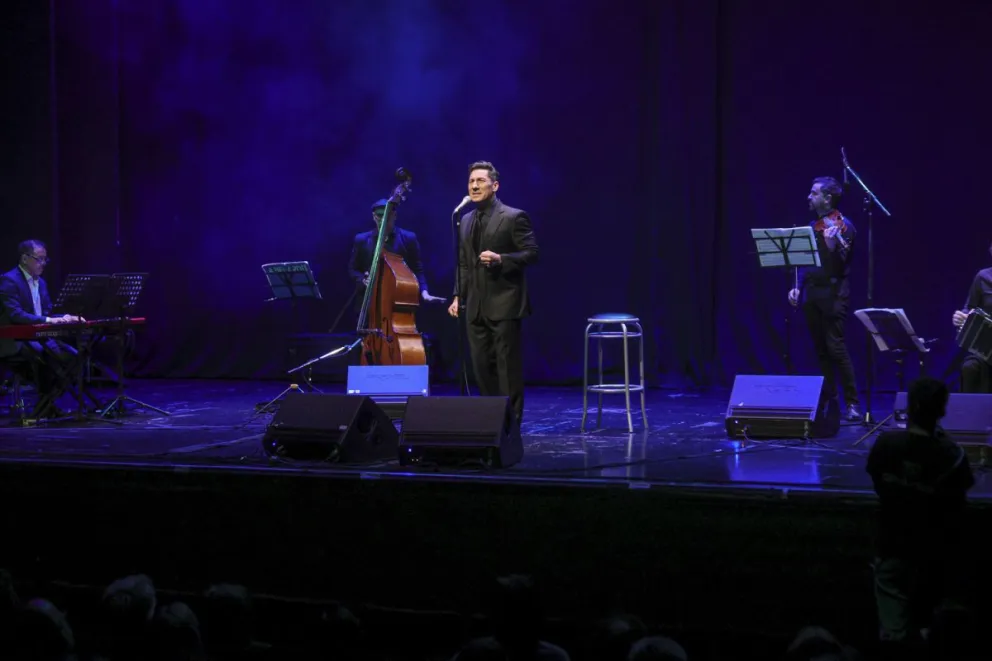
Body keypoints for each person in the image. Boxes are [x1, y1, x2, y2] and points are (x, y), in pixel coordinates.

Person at [865, 377, 974, 648]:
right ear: (943, 410)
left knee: (895, 631)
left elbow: (879, 481)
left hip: (893, 549)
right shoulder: (952, 454)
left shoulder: (886, 445)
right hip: (936, 551)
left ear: (910, 407)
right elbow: (960, 495)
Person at [448, 161, 539, 424]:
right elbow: (464, 263)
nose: (474, 186)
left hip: (504, 303)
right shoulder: (464, 220)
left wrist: (502, 259)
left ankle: (511, 426)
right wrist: (458, 296)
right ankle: (490, 422)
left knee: (506, 369)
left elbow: (532, 253)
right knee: (481, 368)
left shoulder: (513, 217)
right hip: (474, 306)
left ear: (495, 185)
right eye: (471, 182)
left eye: (480, 181)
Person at [788, 176, 862, 421]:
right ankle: (832, 401)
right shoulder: (812, 226)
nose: (809, 197)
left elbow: (841, 265)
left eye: (813, 193)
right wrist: (797, 287)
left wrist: (832, 247)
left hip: (834, 294)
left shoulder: (844, 226)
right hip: (813, 294)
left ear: (827, 197)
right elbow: (804, 263)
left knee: (836, 348)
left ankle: (852, 403)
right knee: (820, 350)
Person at [0, 240, 82, 413]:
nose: (43, 263)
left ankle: (47, 404)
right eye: (39, 259)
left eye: (45, 259)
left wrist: (64, 317)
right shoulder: (9, 281)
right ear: (24, 258)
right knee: (46, 357)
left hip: (39, 337)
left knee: (74, 357)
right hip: (15, 340)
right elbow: (16, 315)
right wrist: (49, 321)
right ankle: (45, 406)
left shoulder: (41, 283)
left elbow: (46, 314)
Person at [348, 198, 445, 304]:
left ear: (395, 216)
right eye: (379, 215)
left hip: (398, 300)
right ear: (373, 217)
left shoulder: (408, 238)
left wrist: (424, 293)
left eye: (387, 216)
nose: (383, 220)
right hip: (369, 302)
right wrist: (362, 280)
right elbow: (353, 269)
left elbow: (417, 270)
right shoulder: (361, 239)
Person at [950, 241, 992, 393]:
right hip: (985, 350)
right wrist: (961, 317)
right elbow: (970, 308)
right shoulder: (983, 277)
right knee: (969, 367)